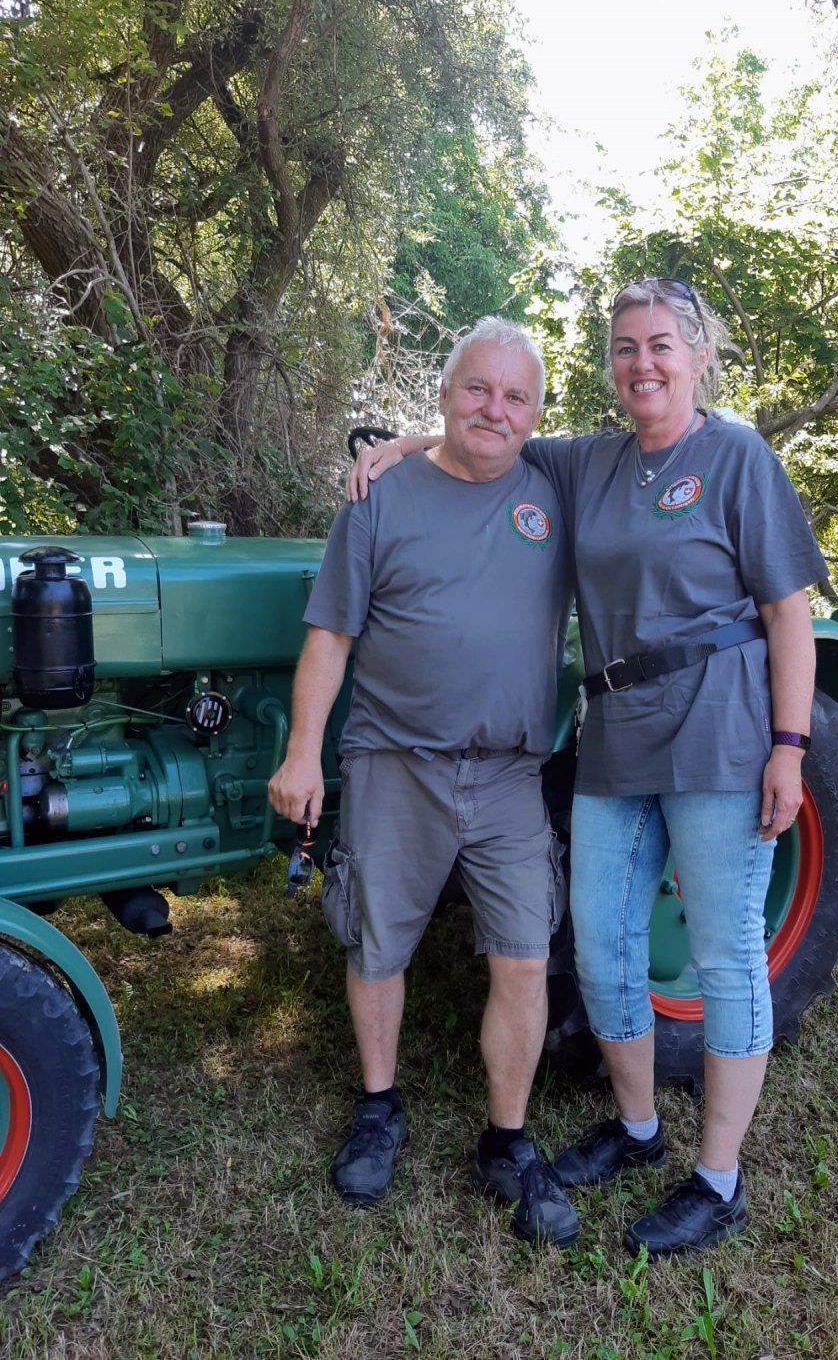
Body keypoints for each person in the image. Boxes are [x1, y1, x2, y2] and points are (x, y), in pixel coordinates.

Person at [349, 279, 829, 1257]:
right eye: (624, 347)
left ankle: (719, 1179)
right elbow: (488, 435)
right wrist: (393, 448)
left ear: (697, 357)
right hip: (615, 736)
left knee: (727, 954)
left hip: (718, 731)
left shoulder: (737, 455)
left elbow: (789, 614)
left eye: (660, 345)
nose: (641, 363)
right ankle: (639, 1128)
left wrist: (790, 747)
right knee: (604, 950)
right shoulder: (591, 462)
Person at [269, 317, 580, 1248]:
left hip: (509, 771)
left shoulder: (556, 490)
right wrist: (302, 751)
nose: (495, 408)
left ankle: (507, 1139)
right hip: (394, 760)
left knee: (524, 953)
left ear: (536, 414)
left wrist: (407, 438)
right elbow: (330, 635)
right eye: (476, 388)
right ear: (444, 393)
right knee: (378, 941)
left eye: (516, 395)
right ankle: (378, 1106)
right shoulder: (380, 498)